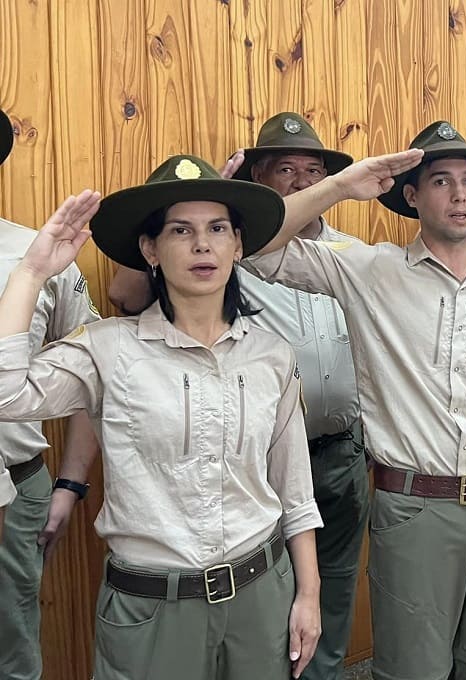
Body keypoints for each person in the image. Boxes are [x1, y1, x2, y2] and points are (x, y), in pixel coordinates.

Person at [245, 121, 466, 679]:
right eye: (440, 181)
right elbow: (251, 246)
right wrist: (338, 186)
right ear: (411, 195)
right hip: (415, 508)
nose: (459, 195)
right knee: (414, 668)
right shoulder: (368, 269)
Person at [0, 158, 324, 679]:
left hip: (261, 596)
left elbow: (294, 488)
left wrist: (307, 594)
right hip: (153, 609)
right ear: (151, 250)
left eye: (218, 229)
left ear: (238, 245)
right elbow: (6, 395)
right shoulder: (108, 350)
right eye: (181, 230)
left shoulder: (271, 355)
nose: (203, 245)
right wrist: (31, 272)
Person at [108, 112, 367, 680]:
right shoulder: (228, 252)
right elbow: (125, 294)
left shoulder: (353, 255)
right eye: (287, 170)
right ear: (258, 180)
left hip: (341, 452)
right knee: (262, 599)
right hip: (249, 466)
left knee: (332, 587)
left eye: (315, 171)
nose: (303, 182)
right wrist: (208, 202)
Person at [0, 106, 102, 680]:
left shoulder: (40, 257)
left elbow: (90, 376)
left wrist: (69, 483)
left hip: (16, 491)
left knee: (12, 649)